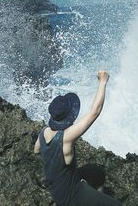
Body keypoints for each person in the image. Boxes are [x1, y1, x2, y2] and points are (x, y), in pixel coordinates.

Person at [34, 71, 122, 206]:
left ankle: (95, 199)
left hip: (56, 187)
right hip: (71, 196)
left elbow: (36, 151)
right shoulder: (66, 138)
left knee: (97, 173)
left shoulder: (43, 132)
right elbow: (95, 112)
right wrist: (103, 81)